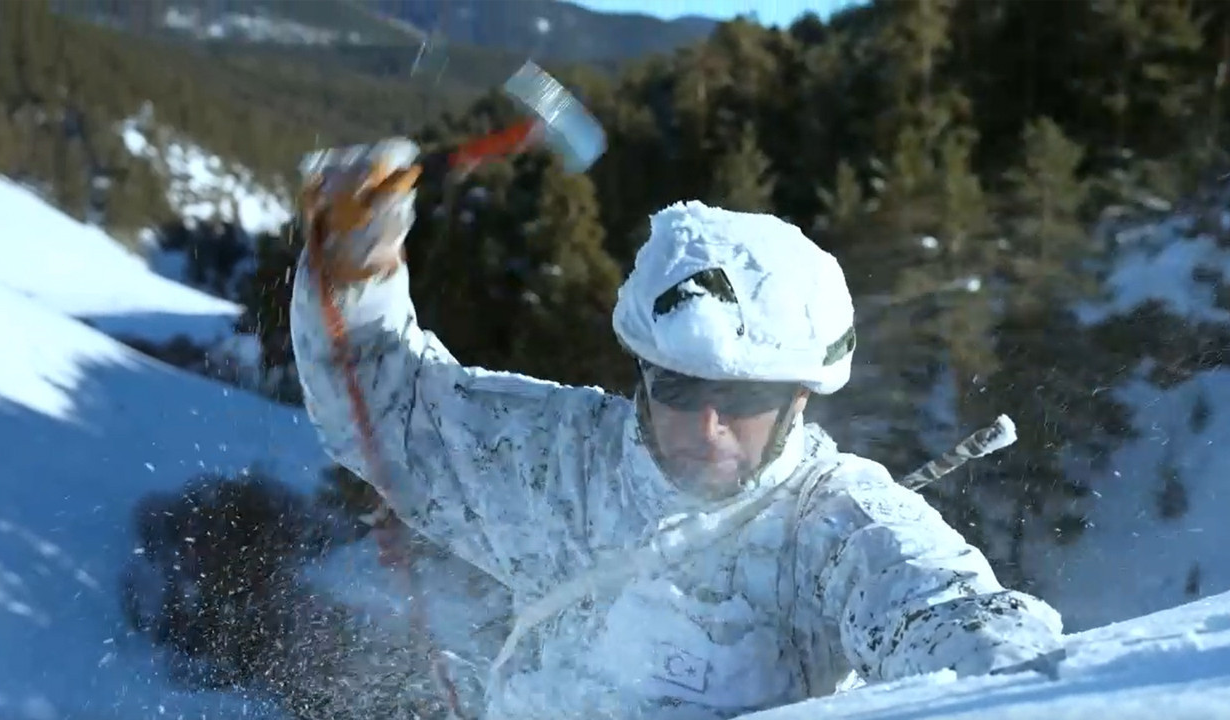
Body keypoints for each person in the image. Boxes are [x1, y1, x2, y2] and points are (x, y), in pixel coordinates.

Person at [288, 139, 1065, 720]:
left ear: (802, 396)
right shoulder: (566, 461)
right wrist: (356, 269)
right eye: (679, 387)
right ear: (643, 372)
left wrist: (1014, 660)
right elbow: (385, 411)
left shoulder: (835, 523)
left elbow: (953, 622)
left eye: (747, 398)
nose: (709, 424)